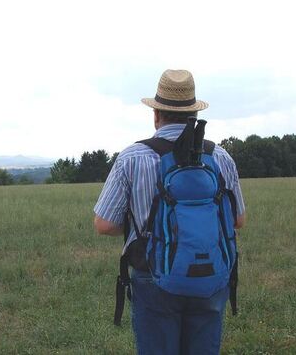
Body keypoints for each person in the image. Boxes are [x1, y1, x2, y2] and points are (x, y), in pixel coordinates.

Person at [93, 69, 245, 354]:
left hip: (152, 275)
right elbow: (238, 220)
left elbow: (103, 224)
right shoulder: (221, 157)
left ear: (156, 114)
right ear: (195, 115)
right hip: (210, 275)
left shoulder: (132, 157)